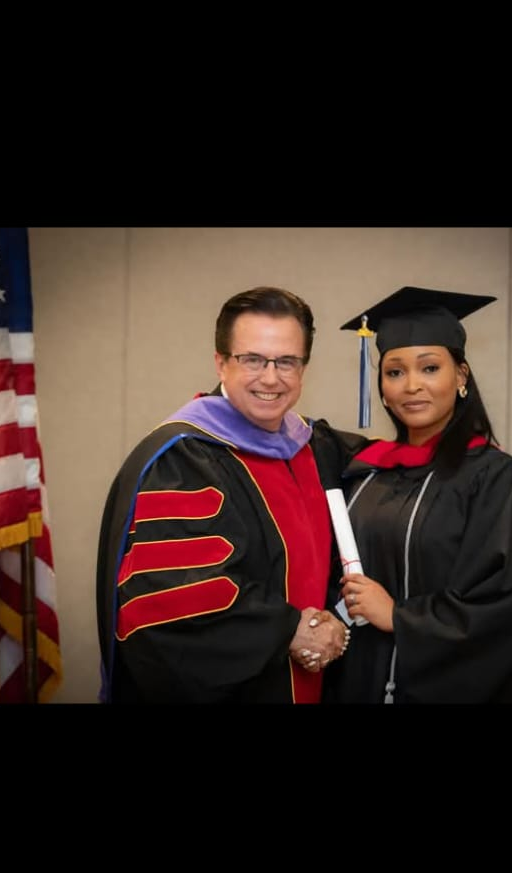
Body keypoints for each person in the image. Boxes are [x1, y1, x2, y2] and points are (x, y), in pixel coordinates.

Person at [96, 286, 366, 703]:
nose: (271, 378)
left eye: (287, 361)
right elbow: (177, 600)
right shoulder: (184, 459)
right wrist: (288, 630)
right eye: (252, 359)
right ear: (221, 363)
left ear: (303, 368)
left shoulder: (314, 447)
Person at [321, 286, 512, 704]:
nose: (411, 386)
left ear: (460, 376)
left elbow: (508, 602)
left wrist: (399, 617)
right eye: (394, 372)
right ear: (382, 387)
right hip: (354, 680)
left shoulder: (493, 478)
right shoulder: (364, 470)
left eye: (429, 368)